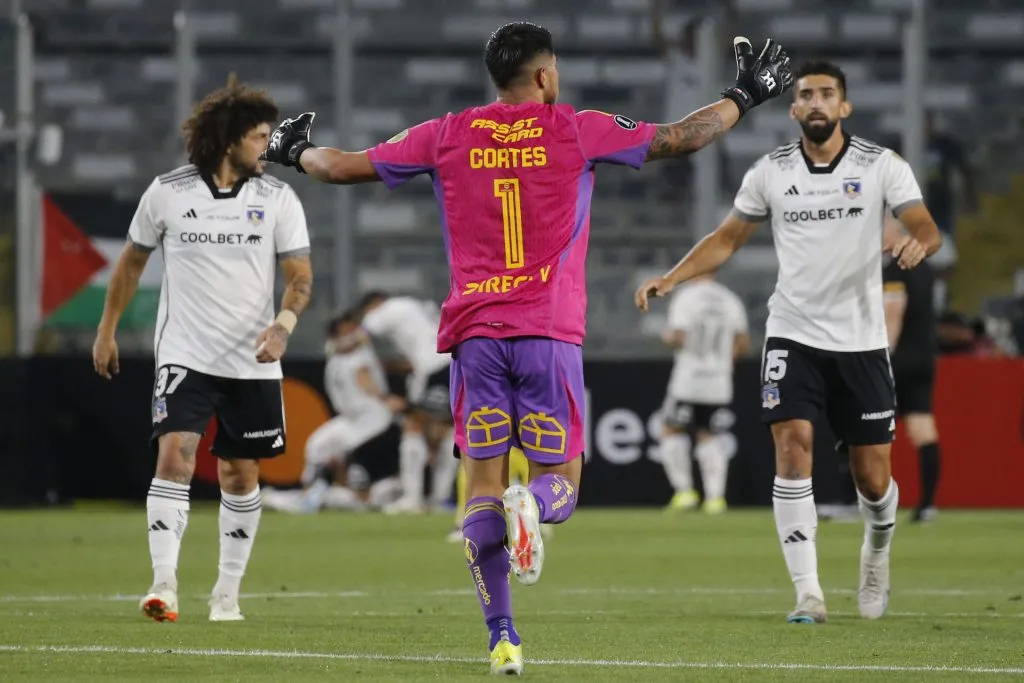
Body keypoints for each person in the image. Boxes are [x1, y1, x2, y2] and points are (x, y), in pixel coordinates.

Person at [262, 21, 793, 674]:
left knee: (481, 490)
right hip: (547, 332)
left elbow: (339, 166)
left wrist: (293, 148)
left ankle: (503, 638)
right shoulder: (575, 128)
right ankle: (533, 506)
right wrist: (745, 93)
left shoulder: (446, 133)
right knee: (559, 485)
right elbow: (682, 137)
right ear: (544, 75)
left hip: (474, 337)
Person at [636, 60, 943, 625]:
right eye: (807, 94)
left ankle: (877, 550)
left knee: (873, 478)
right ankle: (808, 593)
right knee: (793, 447)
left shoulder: (881, 165)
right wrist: (673, 277)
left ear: (844, 106)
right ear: (794, 108)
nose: (817, 102)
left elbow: (924, 224)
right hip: (792, 333)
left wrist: (920, 242)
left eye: (828, 93)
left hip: (861, 340)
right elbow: (726, 239)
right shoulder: (770, 172)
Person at [91, 77, 313, 623]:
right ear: (230, 139)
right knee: (175, 456)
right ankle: (163, 584)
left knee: (241, 475)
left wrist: (282, 327)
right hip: (185, 353)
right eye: (259, 137)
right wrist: (106, 329)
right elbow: (130, 264)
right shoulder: (167, 192)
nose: (268, 146)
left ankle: (226, 594)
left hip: (252, 359)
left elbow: (300, 278)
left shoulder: (277, 198)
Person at [264, 310, 401, 513]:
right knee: (317, 444)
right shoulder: (336, 353)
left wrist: (386, 398)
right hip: (349, 418)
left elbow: (364, 380)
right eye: (345, 331)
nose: (351, 334)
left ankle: (356, 494)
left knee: (350, 453)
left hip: (372, 417)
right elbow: (336, 346)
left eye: (352, 329)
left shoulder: (361, 353)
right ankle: (310, 493)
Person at [354, 292, 457, 514]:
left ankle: (412, 499)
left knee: (413, 427)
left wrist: (341, 347)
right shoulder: (416, 305)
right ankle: (440, 499)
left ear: (373, 305)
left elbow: (362, 335)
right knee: (448, 432)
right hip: (452, 362)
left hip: (432, 367)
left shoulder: (386, 309)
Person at [659, 273, 749, 514]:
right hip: (719, 380)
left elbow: (678, 336)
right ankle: (715, 499)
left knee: (671, 429)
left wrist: (666, 337)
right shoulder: (730, 299)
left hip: (689, 378)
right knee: (709, 434)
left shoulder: (686, 297)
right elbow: (742, 344)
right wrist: (723, 363)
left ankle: (685, 492)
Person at [882, 217, 941, 523]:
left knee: (866, 425)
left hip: (898, 359)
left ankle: (855, 499)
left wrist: (882, 356)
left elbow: (894, 313)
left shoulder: (895, 269)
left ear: (896, 232)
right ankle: (927, 504)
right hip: (924, 356)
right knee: (922, 428)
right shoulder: (925, 267)